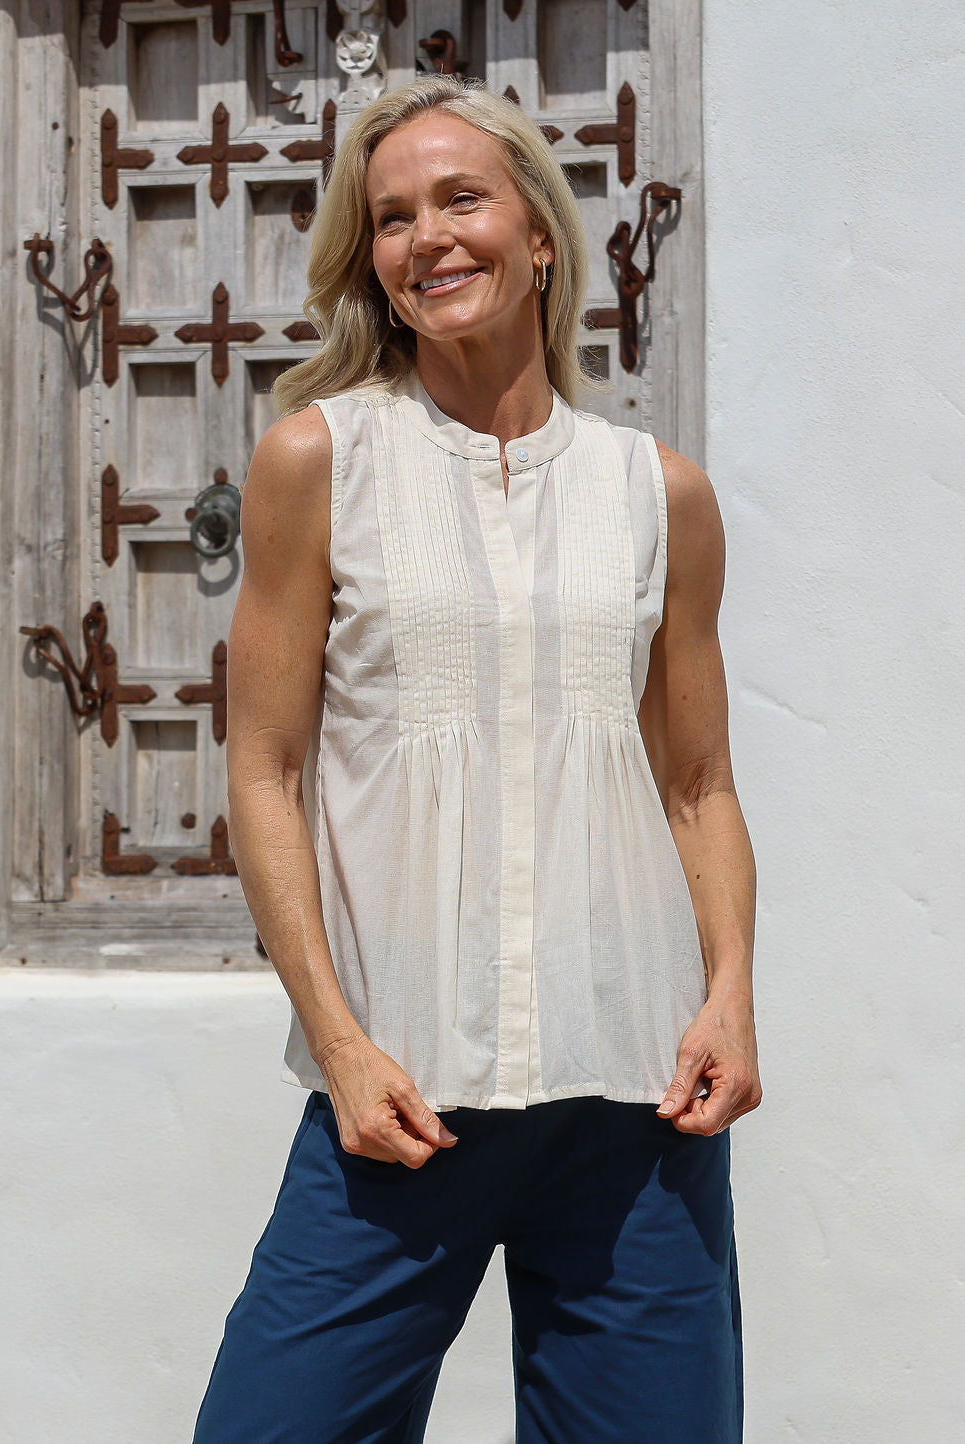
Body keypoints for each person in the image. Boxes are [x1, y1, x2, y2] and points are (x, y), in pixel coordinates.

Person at [192, 73, 761, 1444]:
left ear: (541, 234)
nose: (426, 237)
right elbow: (263, 771)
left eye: (461, 198)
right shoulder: (318, 461)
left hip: (636, 1105)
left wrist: (733, 993)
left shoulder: (656, 491)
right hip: (398, 1099)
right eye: (390, 217)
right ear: (370, 265)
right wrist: (336, 1042)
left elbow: (697, 782)